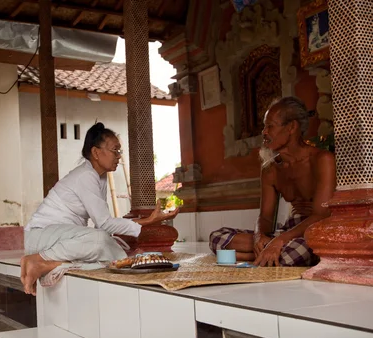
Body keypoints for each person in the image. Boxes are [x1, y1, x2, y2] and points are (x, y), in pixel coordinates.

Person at [20, 122, 180, 295]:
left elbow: (103, 224)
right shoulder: (85, 175)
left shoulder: (99, 178)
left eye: (120, 151)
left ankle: (49, 264)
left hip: (63, 239)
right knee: (101, 241)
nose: (119, 156)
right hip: (42, 237)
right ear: (96, 152)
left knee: (110, 255)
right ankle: (38, 259)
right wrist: (148, 221)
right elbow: (104, 225)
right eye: (115, 150)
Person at [209, 97, 336, 267]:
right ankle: (264, 255)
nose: (264, 132)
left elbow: (321, 215)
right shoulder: (270, 169)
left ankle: (245, 257)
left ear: (291, 127)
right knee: (216, 238)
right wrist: (258, 236)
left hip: (315, 231)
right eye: (264, 126)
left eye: (270, 126)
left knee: (290, 255)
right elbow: (266, 217)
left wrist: (280, 241)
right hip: (287, 231)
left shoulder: (322, 159)